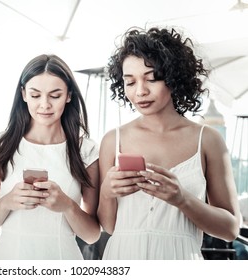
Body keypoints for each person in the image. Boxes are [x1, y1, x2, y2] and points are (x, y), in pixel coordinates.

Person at [97, 27, 241, 260]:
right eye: (130, 82)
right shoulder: (113, 140)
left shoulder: (208, 140)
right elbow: (110, 227)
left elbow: (230, 229)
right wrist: (106, 193)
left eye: (151, 78)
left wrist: (182, 199)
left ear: (174, 77)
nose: (140, 91)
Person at [0, 54, 100, 260]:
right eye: (35, 95)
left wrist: (68, 206)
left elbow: (92, 234)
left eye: (55, 95)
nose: (44, 105)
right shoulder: (1, 146)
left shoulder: (85, 150)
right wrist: (7, 202)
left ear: (69, 95)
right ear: (23, 94)